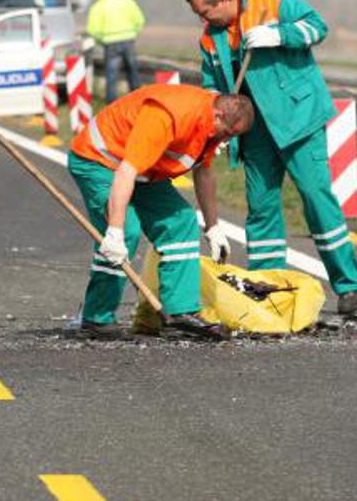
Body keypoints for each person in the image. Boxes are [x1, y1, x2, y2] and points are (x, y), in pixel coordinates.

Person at [185, 0, 357, 315]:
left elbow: (318, 27)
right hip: (255, 132)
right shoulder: (210, 38)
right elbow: (211, 85)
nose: (202, 20)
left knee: (317, 199)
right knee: (261, 208)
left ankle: (349, 287)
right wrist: (214, 125)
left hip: (298, 120)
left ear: (223, 0)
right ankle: (267, 289)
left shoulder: (273, 1)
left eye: (204, 12)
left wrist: (279, 34)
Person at [71, 83, 255, 339]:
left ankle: (182, 312)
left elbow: (203, 173)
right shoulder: (167, 115)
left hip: (146, 172)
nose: (226, 140)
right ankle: (96, 318)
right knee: (126, 232)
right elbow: (126, 171)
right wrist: (113, 231)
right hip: (100, 162)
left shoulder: (210, 126)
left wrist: (213, 227)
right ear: (218, 116)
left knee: (182, 221)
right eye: (228, 133)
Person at [87, 0, 146, 103]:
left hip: (110, 44)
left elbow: (92, 30)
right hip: (128, 40)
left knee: (111, 76)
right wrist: (133, 33)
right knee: (133, 72)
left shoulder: (98, 7)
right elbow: (140, 20)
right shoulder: (127, 2)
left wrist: (101, 40)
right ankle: (138, 101)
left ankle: (112, 105)